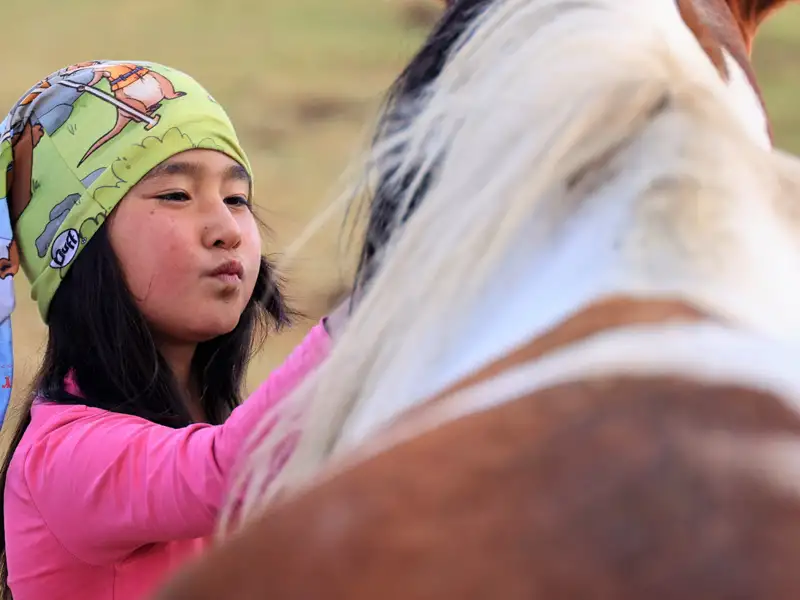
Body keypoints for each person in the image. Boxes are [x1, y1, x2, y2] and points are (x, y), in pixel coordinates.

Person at [0, 60, 344, 600]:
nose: (227, 230)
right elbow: (225, 469)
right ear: (79, 249)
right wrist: (373, 319)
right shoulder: (62, 458)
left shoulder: (221, 431)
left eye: (237, 199)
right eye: (176, 196)